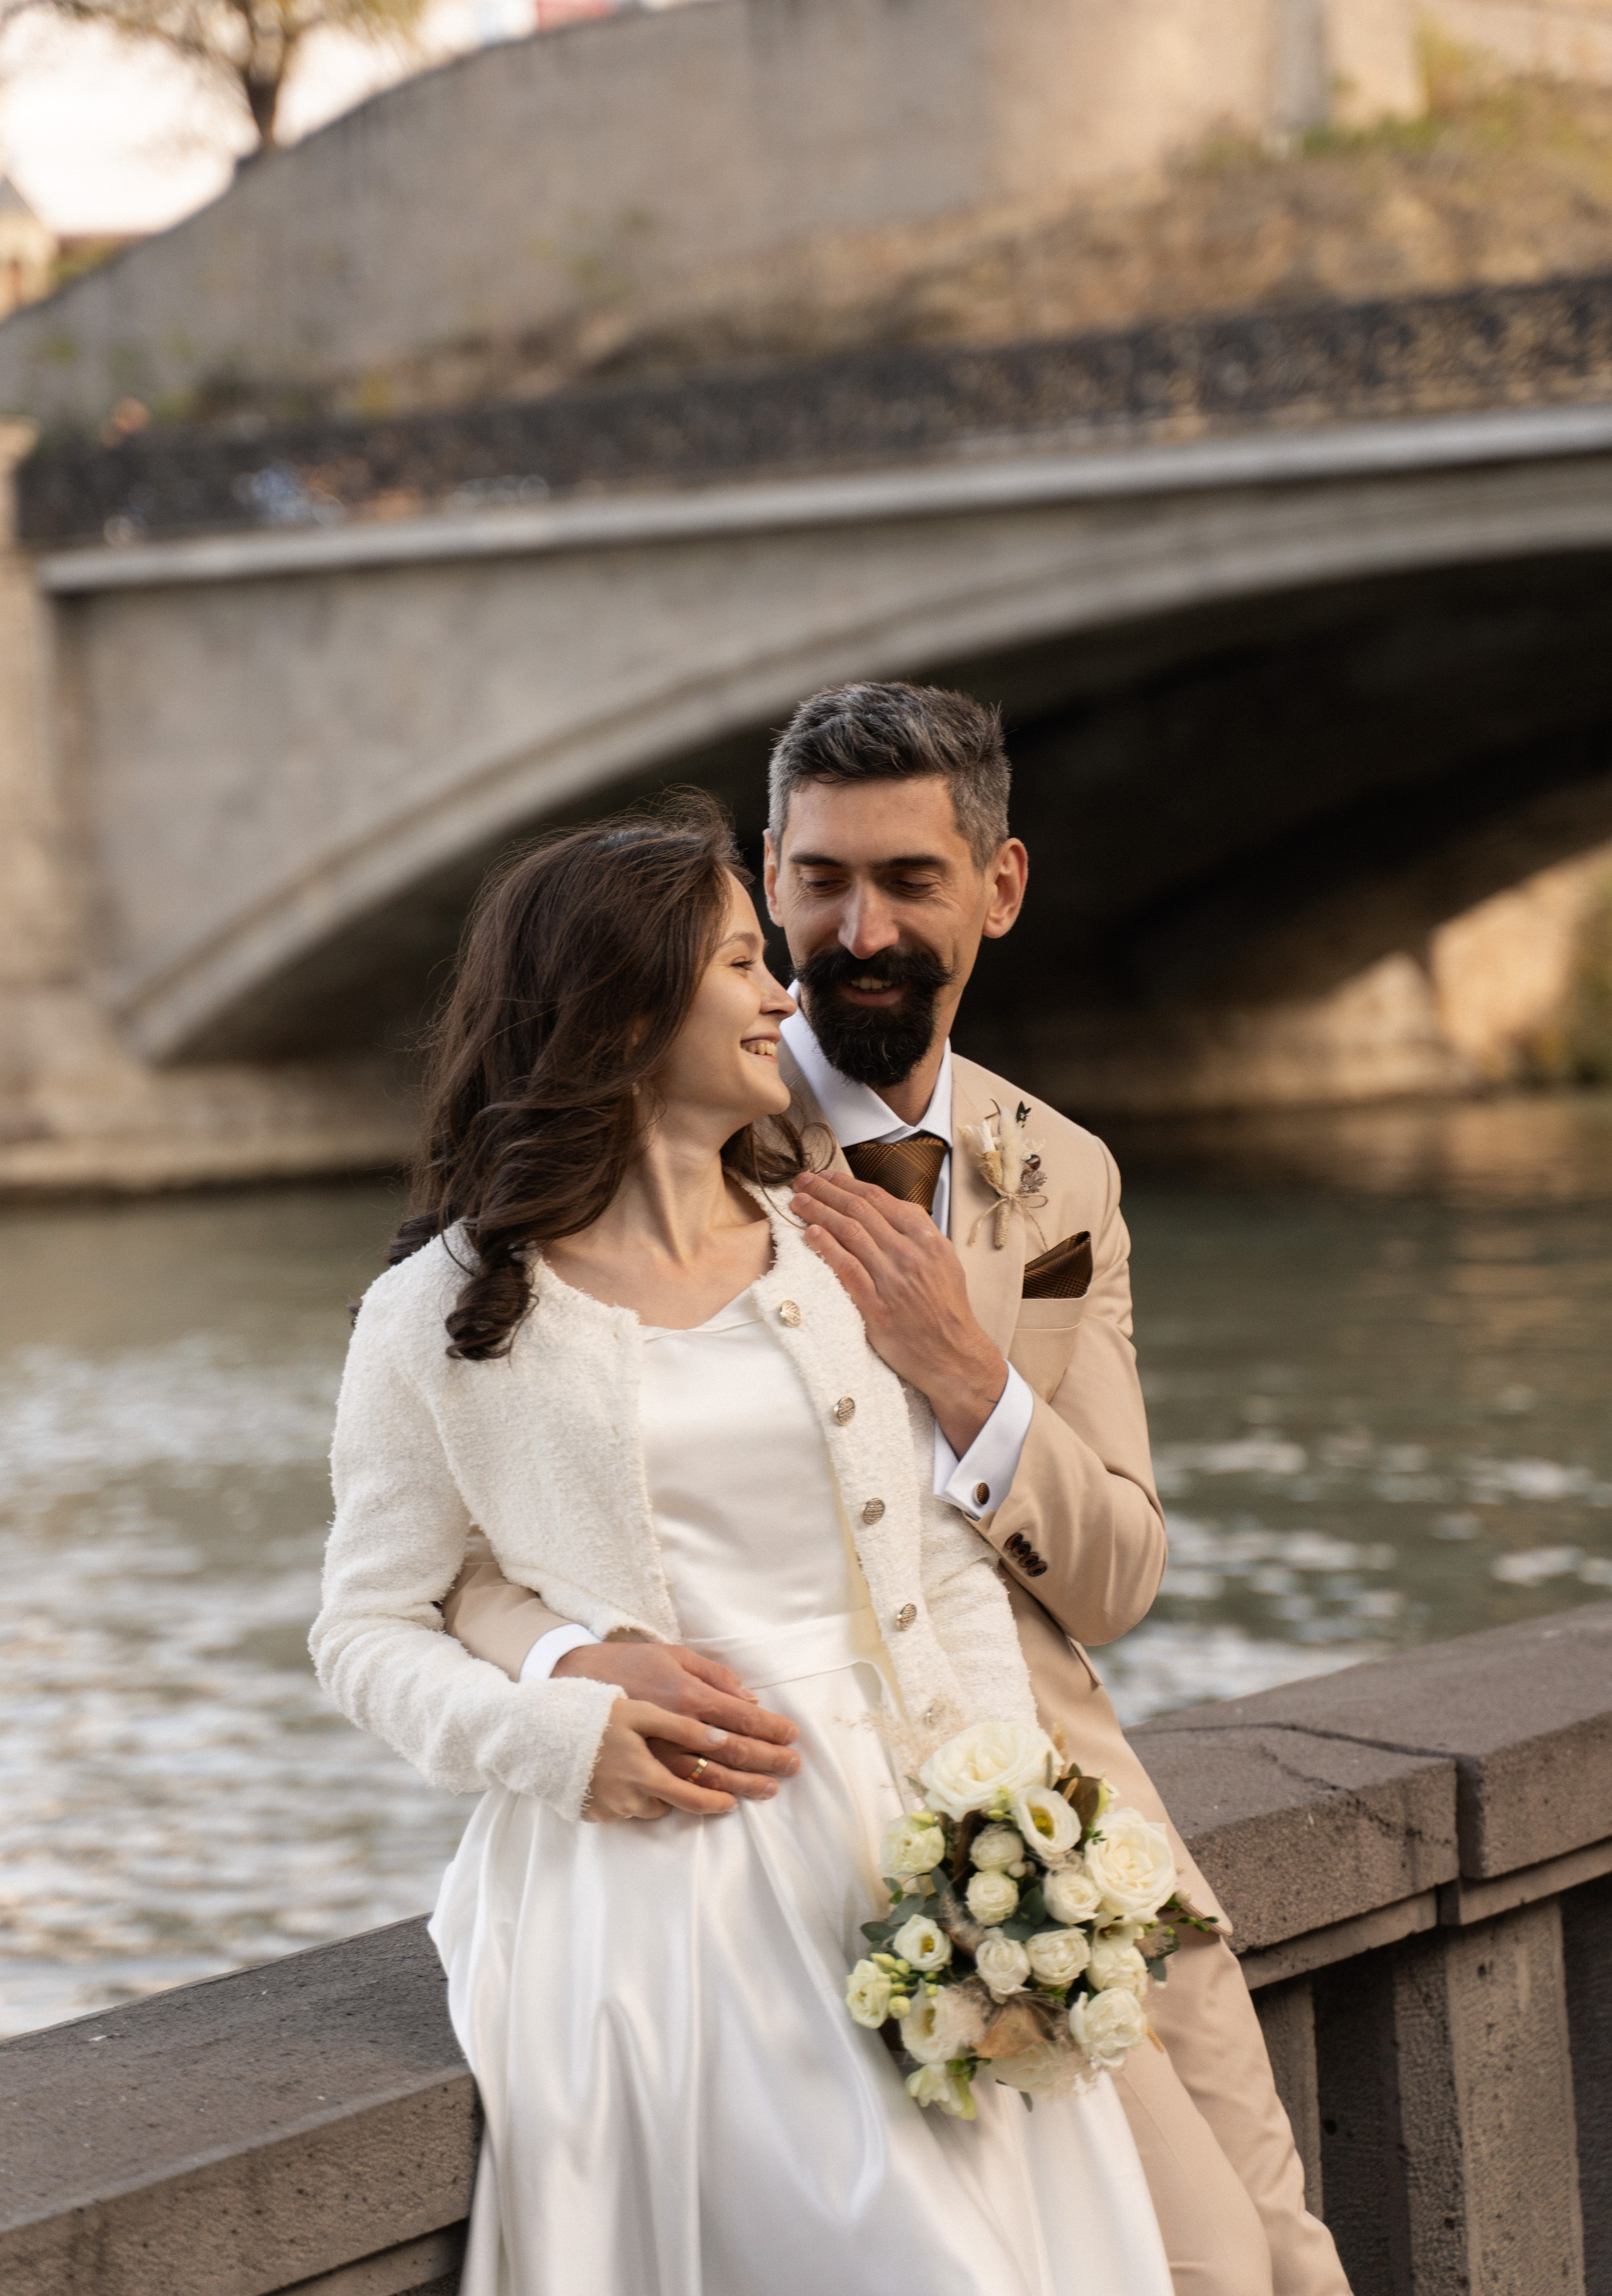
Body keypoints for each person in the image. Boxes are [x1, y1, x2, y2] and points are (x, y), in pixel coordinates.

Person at [443, 684, 1351, 2296]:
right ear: (766, 875)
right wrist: (566, 1666)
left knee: (1273, 2251)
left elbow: (1119, 1573)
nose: (851, 933)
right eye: (813, 884)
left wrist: (965, 1375)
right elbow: (464, 1538)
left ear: (997, 888)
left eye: (908, 883)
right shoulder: (652, 1129)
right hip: (780, 1837)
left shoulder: (1058, 1173)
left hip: (1060, 1808)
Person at [312, 798, 1175, 2296]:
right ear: (626, 1003)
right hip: (661, 1871)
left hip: (902, 1842)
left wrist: (1003, 1829)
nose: (784, 986)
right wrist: (557, 1731)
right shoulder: (443, 1312)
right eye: (735, 958)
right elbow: (365, 1626)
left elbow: (939, 1563)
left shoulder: (828, 1249)